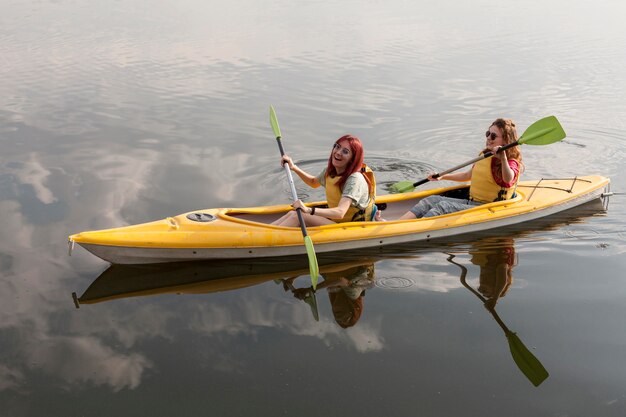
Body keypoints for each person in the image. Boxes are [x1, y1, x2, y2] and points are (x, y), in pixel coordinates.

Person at [399, 118, 523, 220]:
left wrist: (503, 158)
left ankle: (414, 228)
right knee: (431, 200)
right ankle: (399, 223)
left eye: (493, 136)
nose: (489, 138)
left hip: (488, 208)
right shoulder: (485, 155)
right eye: (488, 134)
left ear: (506, 140)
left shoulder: (511, 162)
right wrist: (443, 176)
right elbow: (467, 176)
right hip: (472, 202)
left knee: (443, 206)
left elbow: (508, 178)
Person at [272, 134, 376, 226]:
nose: (338, 152)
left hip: (352, 226)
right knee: (292, 213)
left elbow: (340, 212)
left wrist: (308, 210)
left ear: (352, 160)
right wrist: (293, 167)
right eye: (337, 146)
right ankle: (263, 232)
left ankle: (265, 239)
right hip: (337, 221)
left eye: (345, 151)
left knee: (297, 216)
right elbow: (313, 182)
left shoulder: (354, 179)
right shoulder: (330, 172)